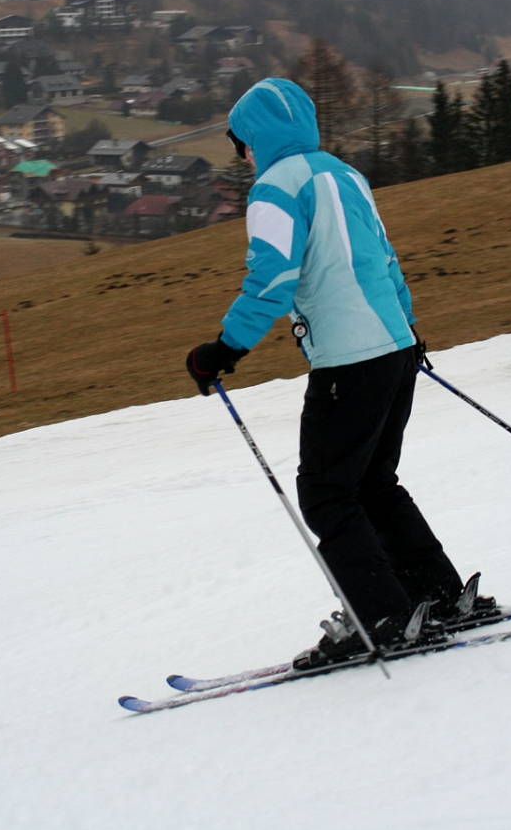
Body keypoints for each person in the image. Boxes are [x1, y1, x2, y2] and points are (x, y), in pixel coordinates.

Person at [186, 77, 494, 669]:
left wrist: (223, 349)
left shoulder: (275, 188)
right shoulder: (345, 175)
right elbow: (383, 257)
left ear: (256, 139)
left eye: (239, 143)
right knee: (373, 482)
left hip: (348, 363)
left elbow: (272, 279)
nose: (241, 155)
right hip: (395, 350)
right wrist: (408, 331)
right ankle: (440, 598)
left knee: (328, 493)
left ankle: (380, 618)